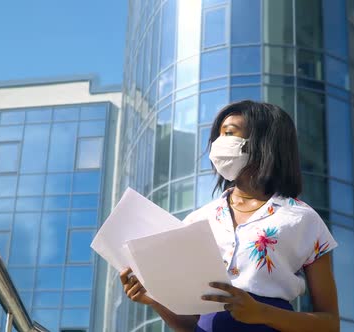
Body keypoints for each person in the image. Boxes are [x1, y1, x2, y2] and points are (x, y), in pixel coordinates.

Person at [120, 100, 340, 332]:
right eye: (218, 136)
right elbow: (192, 326)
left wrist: (261, 312)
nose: (218, 143)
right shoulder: (197, 220)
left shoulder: (301, 217)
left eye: (229, 133)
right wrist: (155, 299)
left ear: (262, 142)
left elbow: (330, 324)